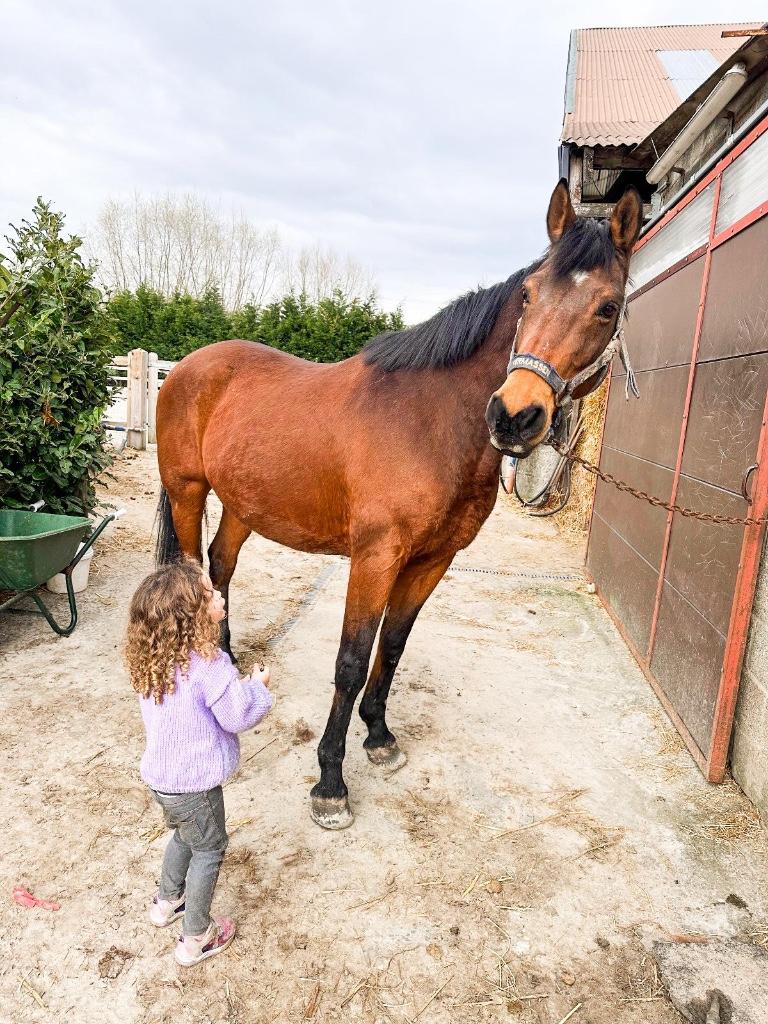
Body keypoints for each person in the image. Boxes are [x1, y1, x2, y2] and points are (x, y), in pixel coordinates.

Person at [124, 559, 272, 966]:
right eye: (210, 593)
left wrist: (237, 687)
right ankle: (196, 937)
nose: (219, 594)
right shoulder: (210, 664)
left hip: (163, 781)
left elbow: (197, 704)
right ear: (193, 616)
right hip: (196, 786)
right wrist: (258, 688)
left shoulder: (156, 660)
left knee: (186, 837)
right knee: (210, 848)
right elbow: (236, 716)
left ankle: (167, 901)